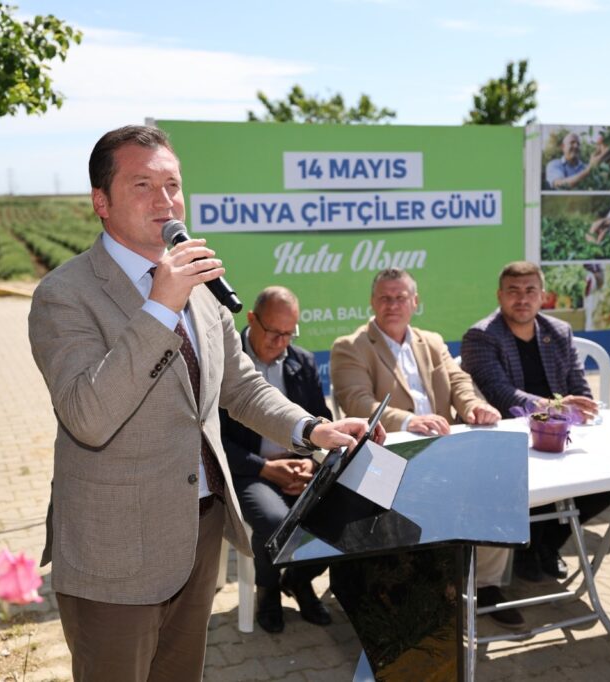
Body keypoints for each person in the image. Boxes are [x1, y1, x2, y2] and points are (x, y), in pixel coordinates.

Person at [27, 125, 382, 682]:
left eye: (173, 185)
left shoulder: (200, 287)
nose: (165, 200)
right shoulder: (64, 294)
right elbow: (87, 416)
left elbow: (241, 386)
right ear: (101, 201)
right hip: (115, 548)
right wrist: (159, 309)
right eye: (143, 185)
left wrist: (312, 429)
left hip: (199, 530)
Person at [330, 268, 524, 630]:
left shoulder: (431, 341)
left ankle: (485, 586)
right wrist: (408, 421)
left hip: (441, 451)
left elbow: (460, 381)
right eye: (385, 298)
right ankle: (420, 595)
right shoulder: (350, 346)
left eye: (400, 297)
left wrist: (474, 407)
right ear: (372, 302)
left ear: (415, 302)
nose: (392, 305)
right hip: (385, 458)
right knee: (422, 503)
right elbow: (356, 402)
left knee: (494, 485)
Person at [460, 261, 610, 583]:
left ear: (543, 295)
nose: (522, 299)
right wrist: (557, 406)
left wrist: (579, 408)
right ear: (499, 295)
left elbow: (579, 388)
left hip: (562, 435)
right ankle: (528, 548)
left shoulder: (558, 331)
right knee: (537, 482)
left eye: (530, 291)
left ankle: (547, 544)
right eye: (513, 291)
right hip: (512, 439)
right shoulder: (481, 336)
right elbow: (500, 393)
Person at [219, 286, 333, 634]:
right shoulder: (225, 361)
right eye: (273, 332)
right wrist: (266, 468)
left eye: (288, 334)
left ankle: (298, 580)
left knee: (345, 514)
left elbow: (321, 420)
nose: (281, 342)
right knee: (275, 522)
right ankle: (268, 589)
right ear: (252, 319)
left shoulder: (302, 361)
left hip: (298, 466)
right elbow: (212, 438)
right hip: (247, 470)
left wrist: (310, 463)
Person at [545, 132, 610, 190]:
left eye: (578, 144)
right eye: (572, 142)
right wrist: (589, 169)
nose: (576, 146)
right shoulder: (554, 164)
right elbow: (560, 185)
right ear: (563, 147)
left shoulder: (585, 167)